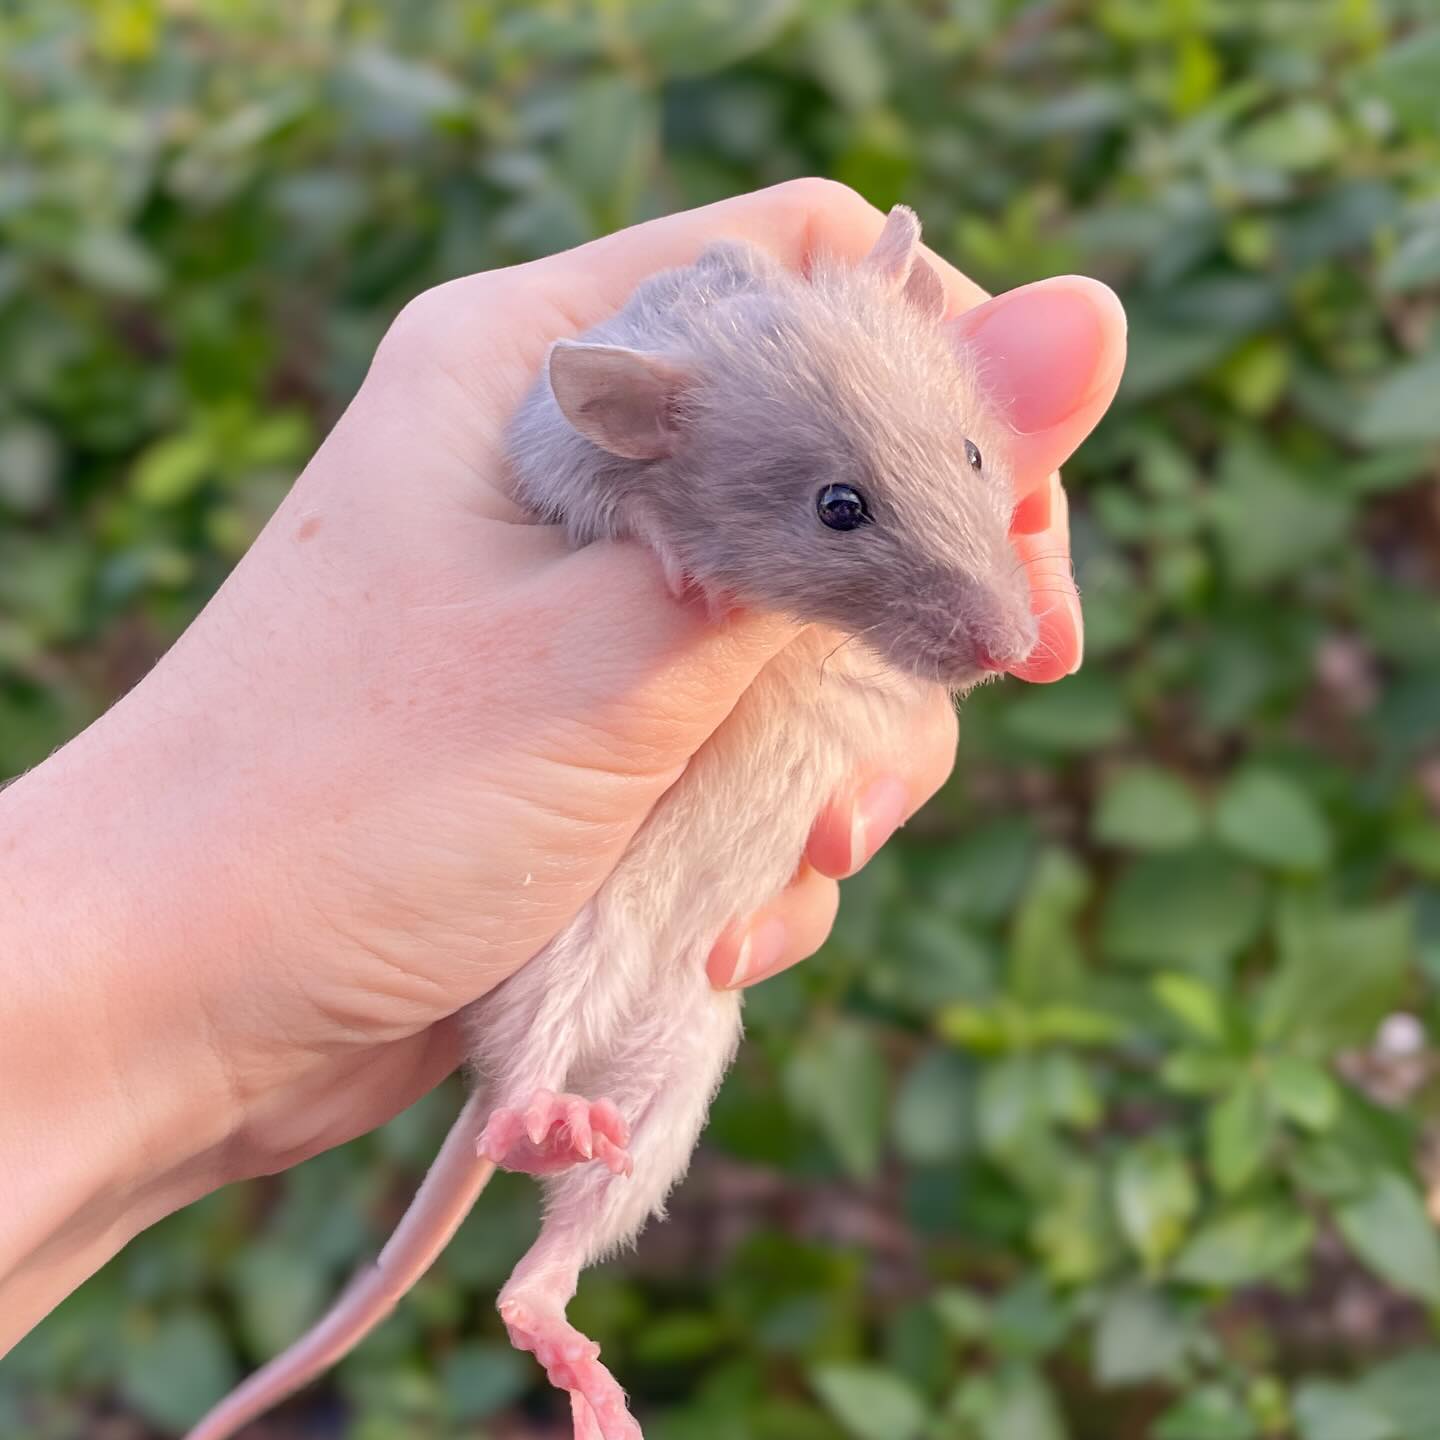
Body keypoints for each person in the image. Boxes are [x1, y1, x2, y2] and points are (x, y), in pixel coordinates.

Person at [0, 179, 1123, 1350]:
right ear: (647, 421)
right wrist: (647, 520)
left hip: (698, 835)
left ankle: (551, 1277)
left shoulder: (820, 363)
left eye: (973, 457)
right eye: (845, 511)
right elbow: (554, 441)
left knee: (696, 1006)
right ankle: (532, 1106)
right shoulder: (645, 397)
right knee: (609, 937)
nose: (1007, 631)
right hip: (598, 863)